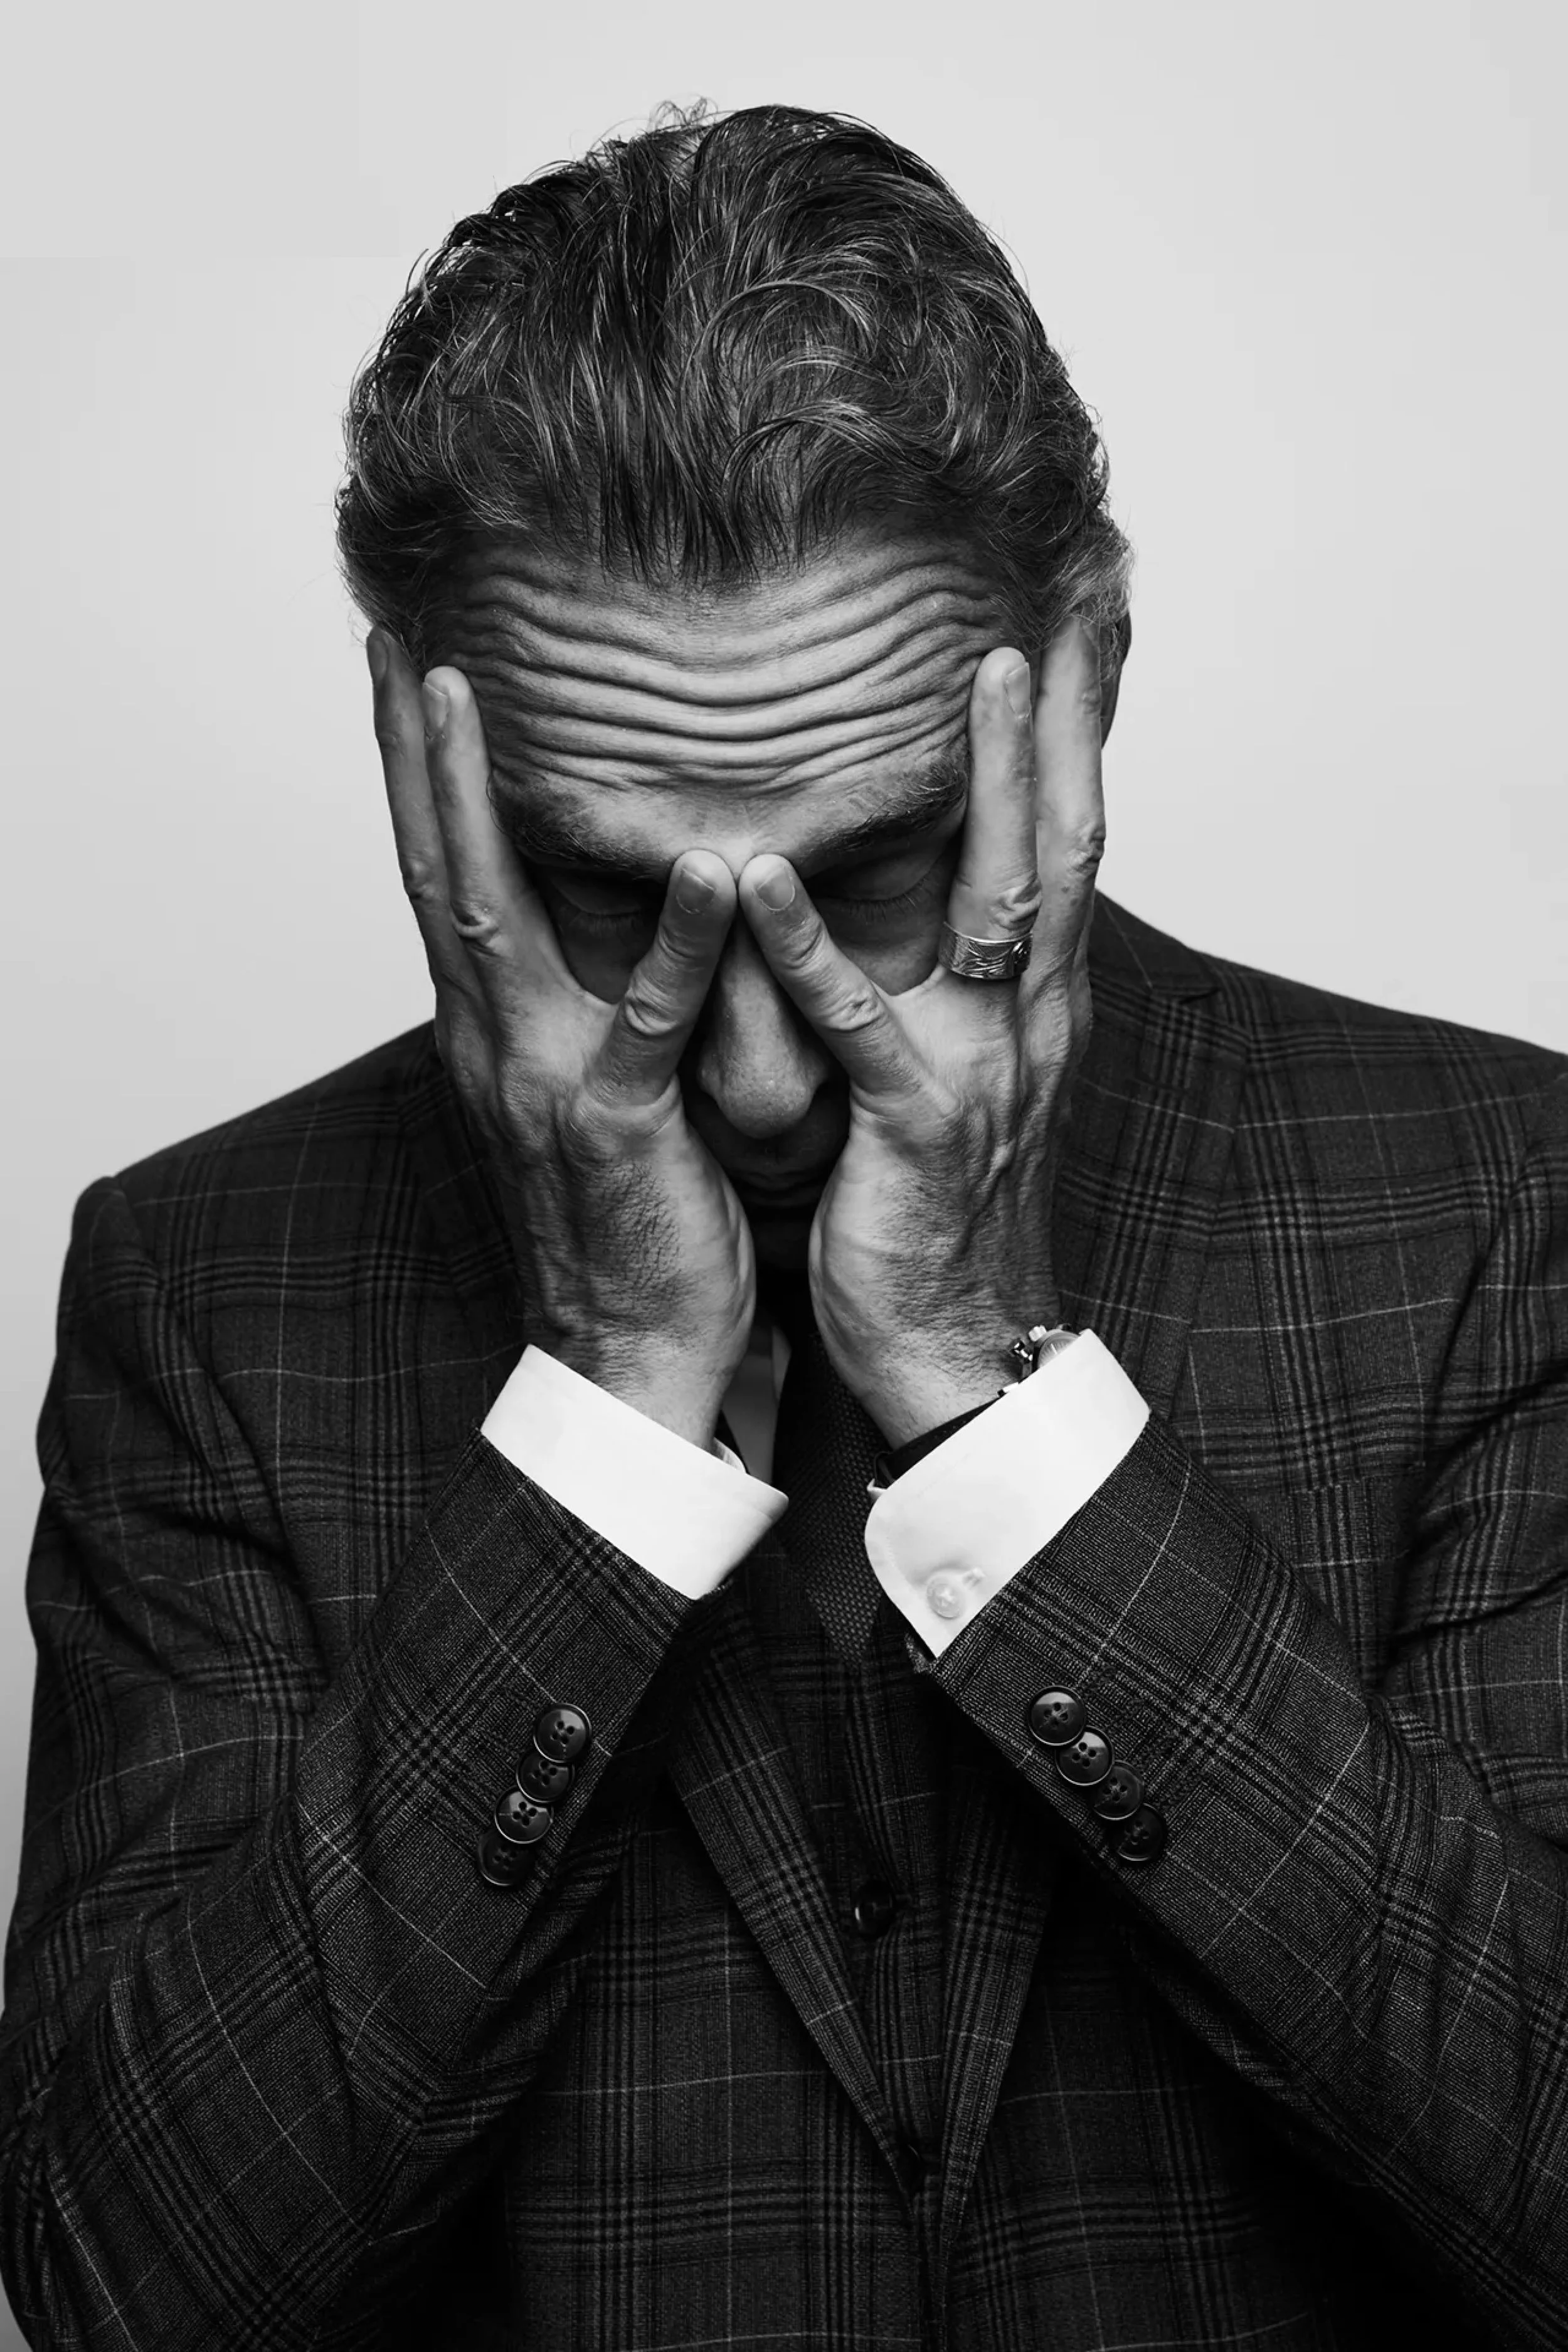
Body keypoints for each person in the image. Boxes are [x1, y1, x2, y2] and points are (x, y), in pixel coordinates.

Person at [3, 98, 1565, 2352]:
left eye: (877, 876)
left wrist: (997, 1412)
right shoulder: (205, 1287)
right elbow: (127, 2293)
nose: (747, 1072)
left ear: (1089, 679)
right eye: (606, 892)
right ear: (415, 751)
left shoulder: (1499, 1203)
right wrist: (606, 1415)